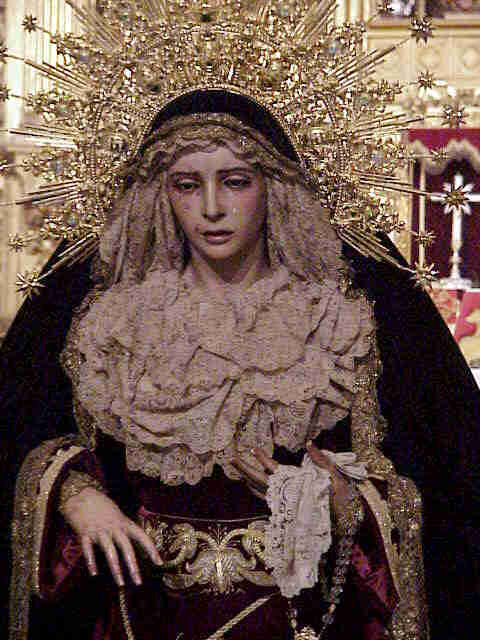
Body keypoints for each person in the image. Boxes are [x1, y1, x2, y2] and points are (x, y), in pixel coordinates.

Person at [3, 89, 479, 640]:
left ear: (273, 188)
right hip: (143, 613)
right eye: (187, 185)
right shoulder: (110, 324)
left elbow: (443, 483)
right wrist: (74, 494)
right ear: (159, 195)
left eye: (235, 181)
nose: (211, 208)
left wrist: (339, 499)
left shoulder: (342, 322)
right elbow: (21, 433)